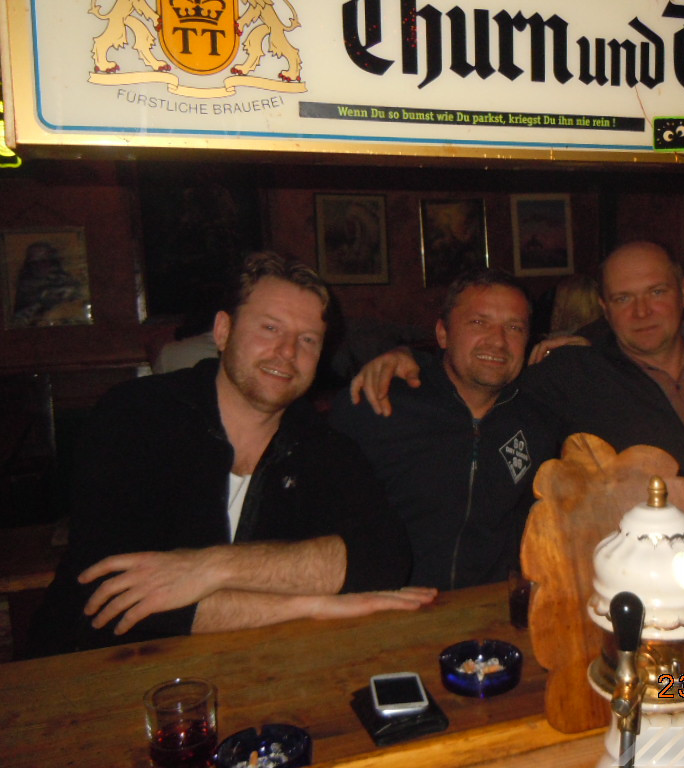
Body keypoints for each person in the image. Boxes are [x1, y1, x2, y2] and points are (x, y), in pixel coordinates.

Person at [32, 252, 433, 655]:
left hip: (251, 667)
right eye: (270, 328)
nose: (287, 351)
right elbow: (117, 600)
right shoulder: (137, 415)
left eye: (308, 340)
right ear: (223, 331)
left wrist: (211, 568)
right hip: (92, 669)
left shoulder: (323, 445)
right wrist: (311, 605)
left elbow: (384, 559)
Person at [351, 242, 684, 542]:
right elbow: (481, 373)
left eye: (657, 292)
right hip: (641, 579)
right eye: (623, 298)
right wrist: (408, 358)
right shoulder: (574, 374)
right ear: (604, 307)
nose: (641, 312)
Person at [331, 269, 559, 590]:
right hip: (385, 607)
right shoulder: (377, 404)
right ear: (443, 334)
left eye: (514, 327)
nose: (498, 341)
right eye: (478, 322)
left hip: (489, 606)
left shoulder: (538, 422)